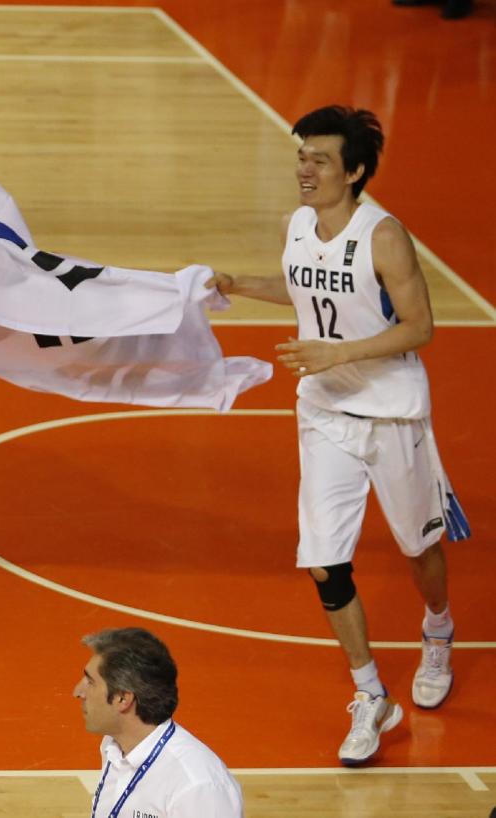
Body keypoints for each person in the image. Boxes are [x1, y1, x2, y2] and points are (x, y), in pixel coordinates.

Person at [206, 105, 469, 765]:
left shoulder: (385, 237)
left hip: (391, 411)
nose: (305, 169)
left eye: (319, 159)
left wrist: (337, 354)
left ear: (353, 171)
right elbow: (302, 291)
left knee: (417, 547)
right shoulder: (300, 225)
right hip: (324, 410)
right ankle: (370, 693)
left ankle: (437, 626)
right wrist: (238, 285)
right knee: (323, 559)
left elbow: (420, 328)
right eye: (302, 155)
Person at [74, 628, 243, 817]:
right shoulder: (113, 746)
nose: (78, 691)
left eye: (90, 682)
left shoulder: (198, 787)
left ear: (123, 698)